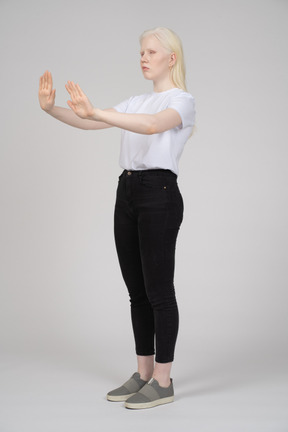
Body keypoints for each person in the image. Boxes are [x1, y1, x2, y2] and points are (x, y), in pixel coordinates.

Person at [38, 26, 196, 410]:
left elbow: (154, 125)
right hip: (126, 191)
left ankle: (163, 380)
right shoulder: (135, 100)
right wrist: (52, 110)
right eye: (141, 51)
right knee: (136, 291)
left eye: (151, 52)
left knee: (159, 290)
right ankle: (143, 374)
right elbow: (91, 122)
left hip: (158, 193)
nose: (143, 57)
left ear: (170, 58)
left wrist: (98, 110)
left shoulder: (183, 100)